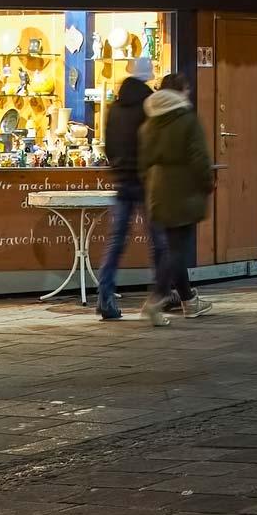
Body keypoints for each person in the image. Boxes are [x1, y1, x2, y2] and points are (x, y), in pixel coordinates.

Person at [140, 71, 215, 321]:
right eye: (187, 89)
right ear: (181, 91)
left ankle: (189, 302)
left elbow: (143, 161)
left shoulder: (150, 121)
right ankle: (158, 296)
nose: (189, 93)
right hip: (183, 189)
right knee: (177, 249)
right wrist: (207, 183)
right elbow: (199, 157)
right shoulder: (187, 119)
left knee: (174, 246)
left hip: (157, 189)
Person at [94, 56, 157, 321]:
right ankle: (162, 295)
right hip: (146, 180)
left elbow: (108, 144)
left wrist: (118, 167)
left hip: (122, 180)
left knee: (116, 241)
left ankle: (105, 297)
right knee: (159, 241)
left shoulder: (116, 107)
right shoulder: (150, 105)